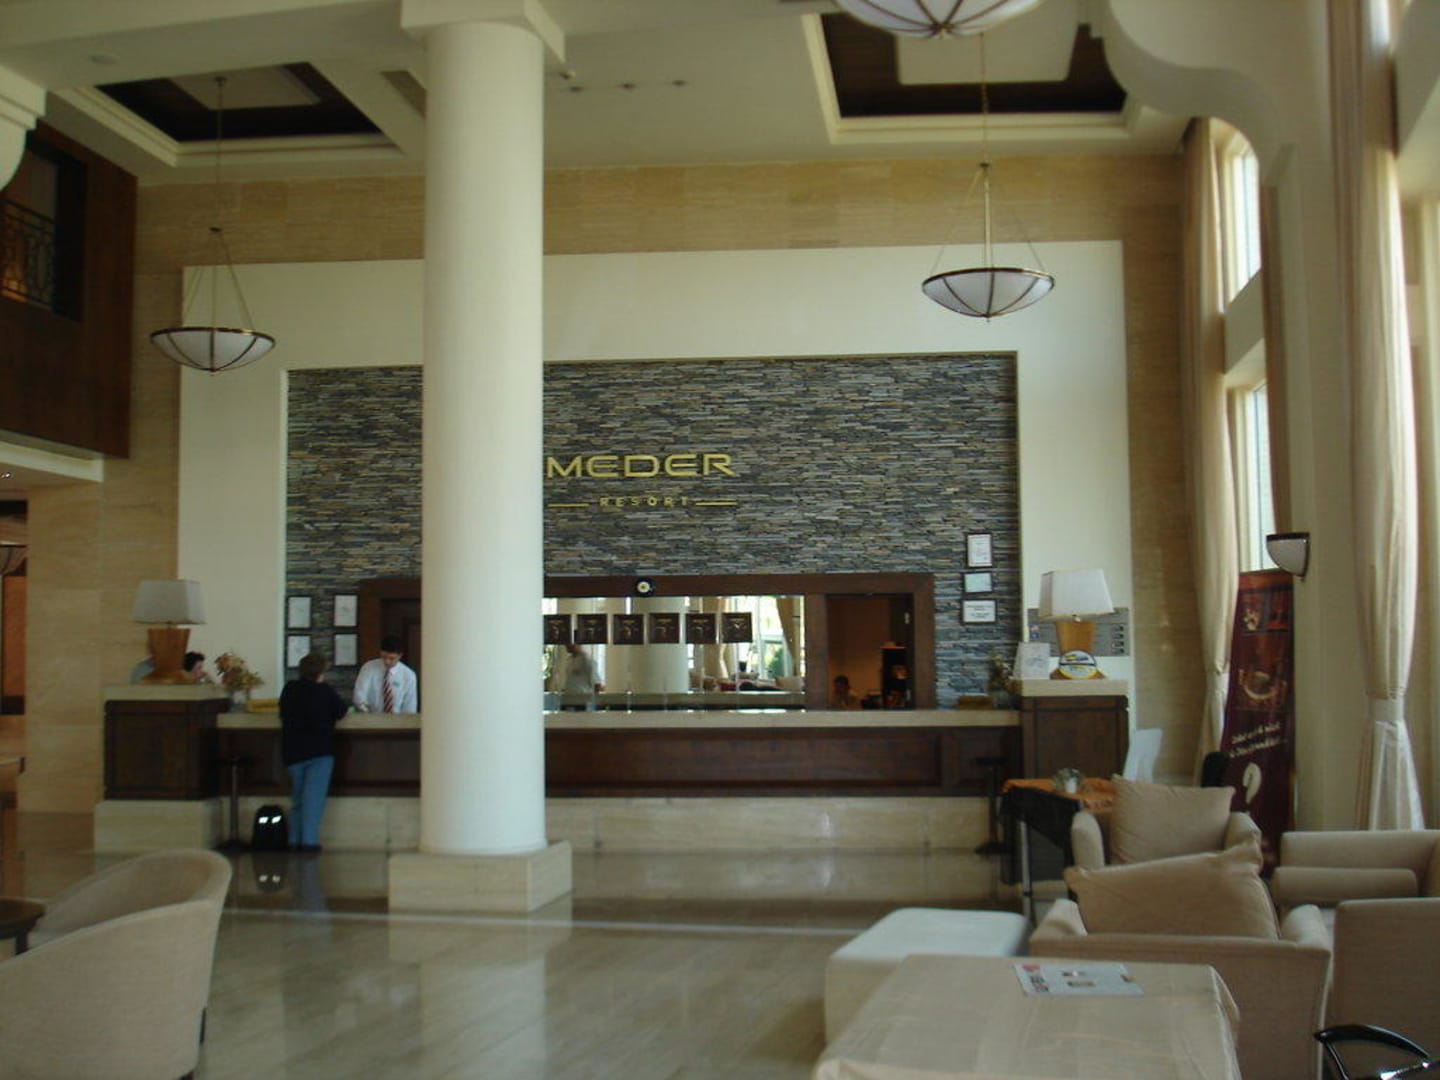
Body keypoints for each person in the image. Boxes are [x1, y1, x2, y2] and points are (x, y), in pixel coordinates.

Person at [279, 651, 348, 853]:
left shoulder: (289, 689)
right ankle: (309, 842)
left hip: (292, 752)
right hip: (319, 752)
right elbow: (342, 711)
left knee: (298, 799)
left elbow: (282, 712)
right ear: (320, 673)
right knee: (313, 800)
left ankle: (294, 840)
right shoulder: (324, 691)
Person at [352, 636, 418, 713]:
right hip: (370, 716)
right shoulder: (368, 668)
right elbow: (359, 697)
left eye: (392, 658)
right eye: (384, 657)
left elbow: (410, 706)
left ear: (400, 656)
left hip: (397, 718)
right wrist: (367, 713)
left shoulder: (409, 675)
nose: (387, 661)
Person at [562, 642, 602, 711]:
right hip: (569, 700)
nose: (566, 646)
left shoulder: (587, 660)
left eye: (569, 643)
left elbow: (597, 684)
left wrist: (593, 702)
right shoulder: (569, 660)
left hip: (582, 701)